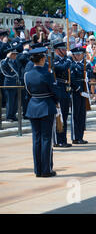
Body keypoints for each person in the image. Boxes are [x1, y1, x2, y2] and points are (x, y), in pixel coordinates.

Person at [24, 47, 59, 177]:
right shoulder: (47, 74)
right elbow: (54, 92)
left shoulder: (27, 75)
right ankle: (46, 170)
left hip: (33, 106)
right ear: (43, 59)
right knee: (46, 139)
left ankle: (38, 170)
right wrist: (56, 101)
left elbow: (28, 92)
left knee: (36, 139)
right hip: (46, 106)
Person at [70, 47, 92, 144]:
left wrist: (87, 77)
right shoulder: (72, 65)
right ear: (74, 55)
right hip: (76, 92)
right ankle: (75, 137)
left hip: (84, 91)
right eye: (77, 54)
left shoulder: (86, 64)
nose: (79, 56)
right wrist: (78, 89)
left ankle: (81, 136)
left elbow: (91, 75)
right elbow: (72, 79)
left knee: (82, 115)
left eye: (80, 54)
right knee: (76, 114)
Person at [52, 42, 72, 147]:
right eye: (63, 49)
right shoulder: (54, 59)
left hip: (64, 88)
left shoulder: (63, 60)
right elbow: (62, 68)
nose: (65, 51)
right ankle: (58, 140)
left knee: (64, 115)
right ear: (57, 50)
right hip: (58, 88)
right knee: (59, 116)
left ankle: (63, 139)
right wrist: (68, 59)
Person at [0, 41, 21, 121]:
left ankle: (13, 115)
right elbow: (3, 68)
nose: (15, 55)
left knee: (15, 102)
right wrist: (7, 58)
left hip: (16, 83)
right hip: (9, 84)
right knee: (10, 101)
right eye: (14, 54)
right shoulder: (4, 61)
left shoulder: (15, 62)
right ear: (10, 54)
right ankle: (9, 116)